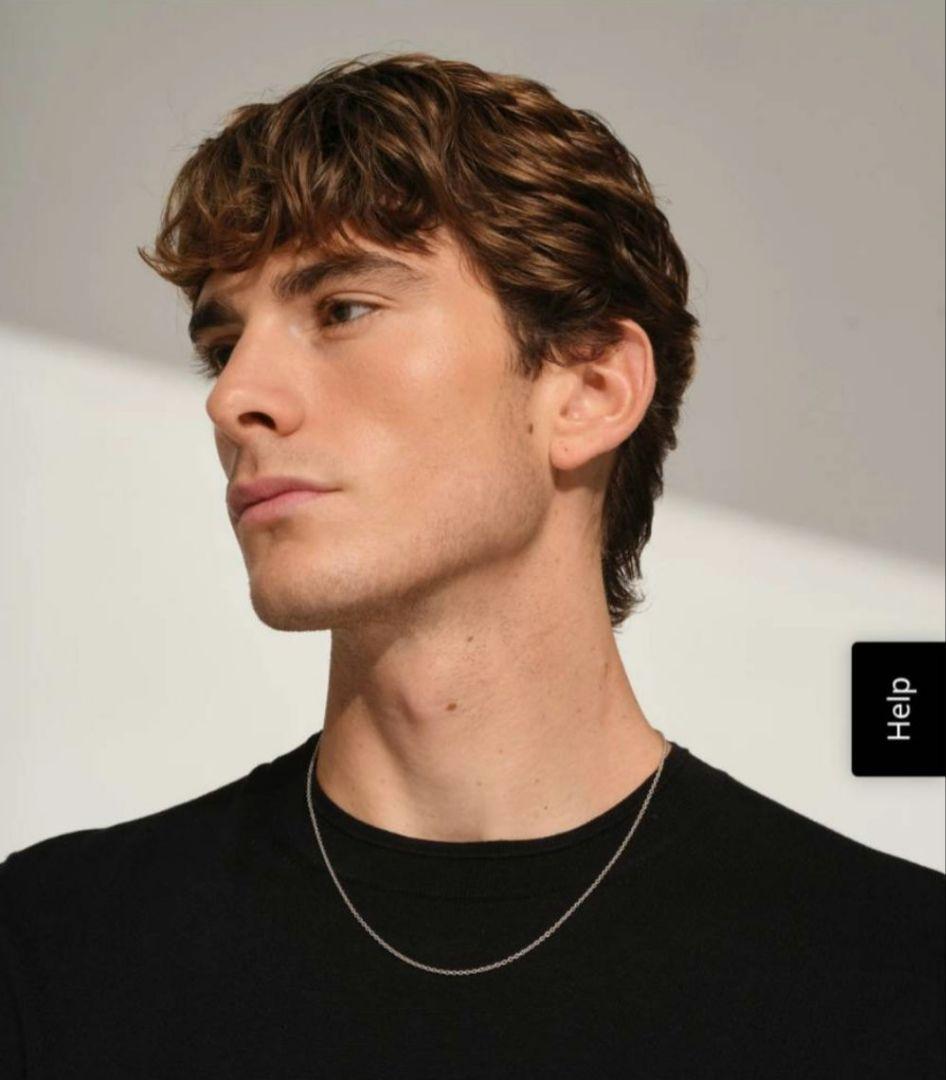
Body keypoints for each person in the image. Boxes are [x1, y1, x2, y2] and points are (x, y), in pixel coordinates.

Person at [1, 51, 942, 1079]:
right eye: (221, 346)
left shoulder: (895, 980)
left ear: (588, 393)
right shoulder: (55, 949)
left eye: (342, 309)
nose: (232, 399)